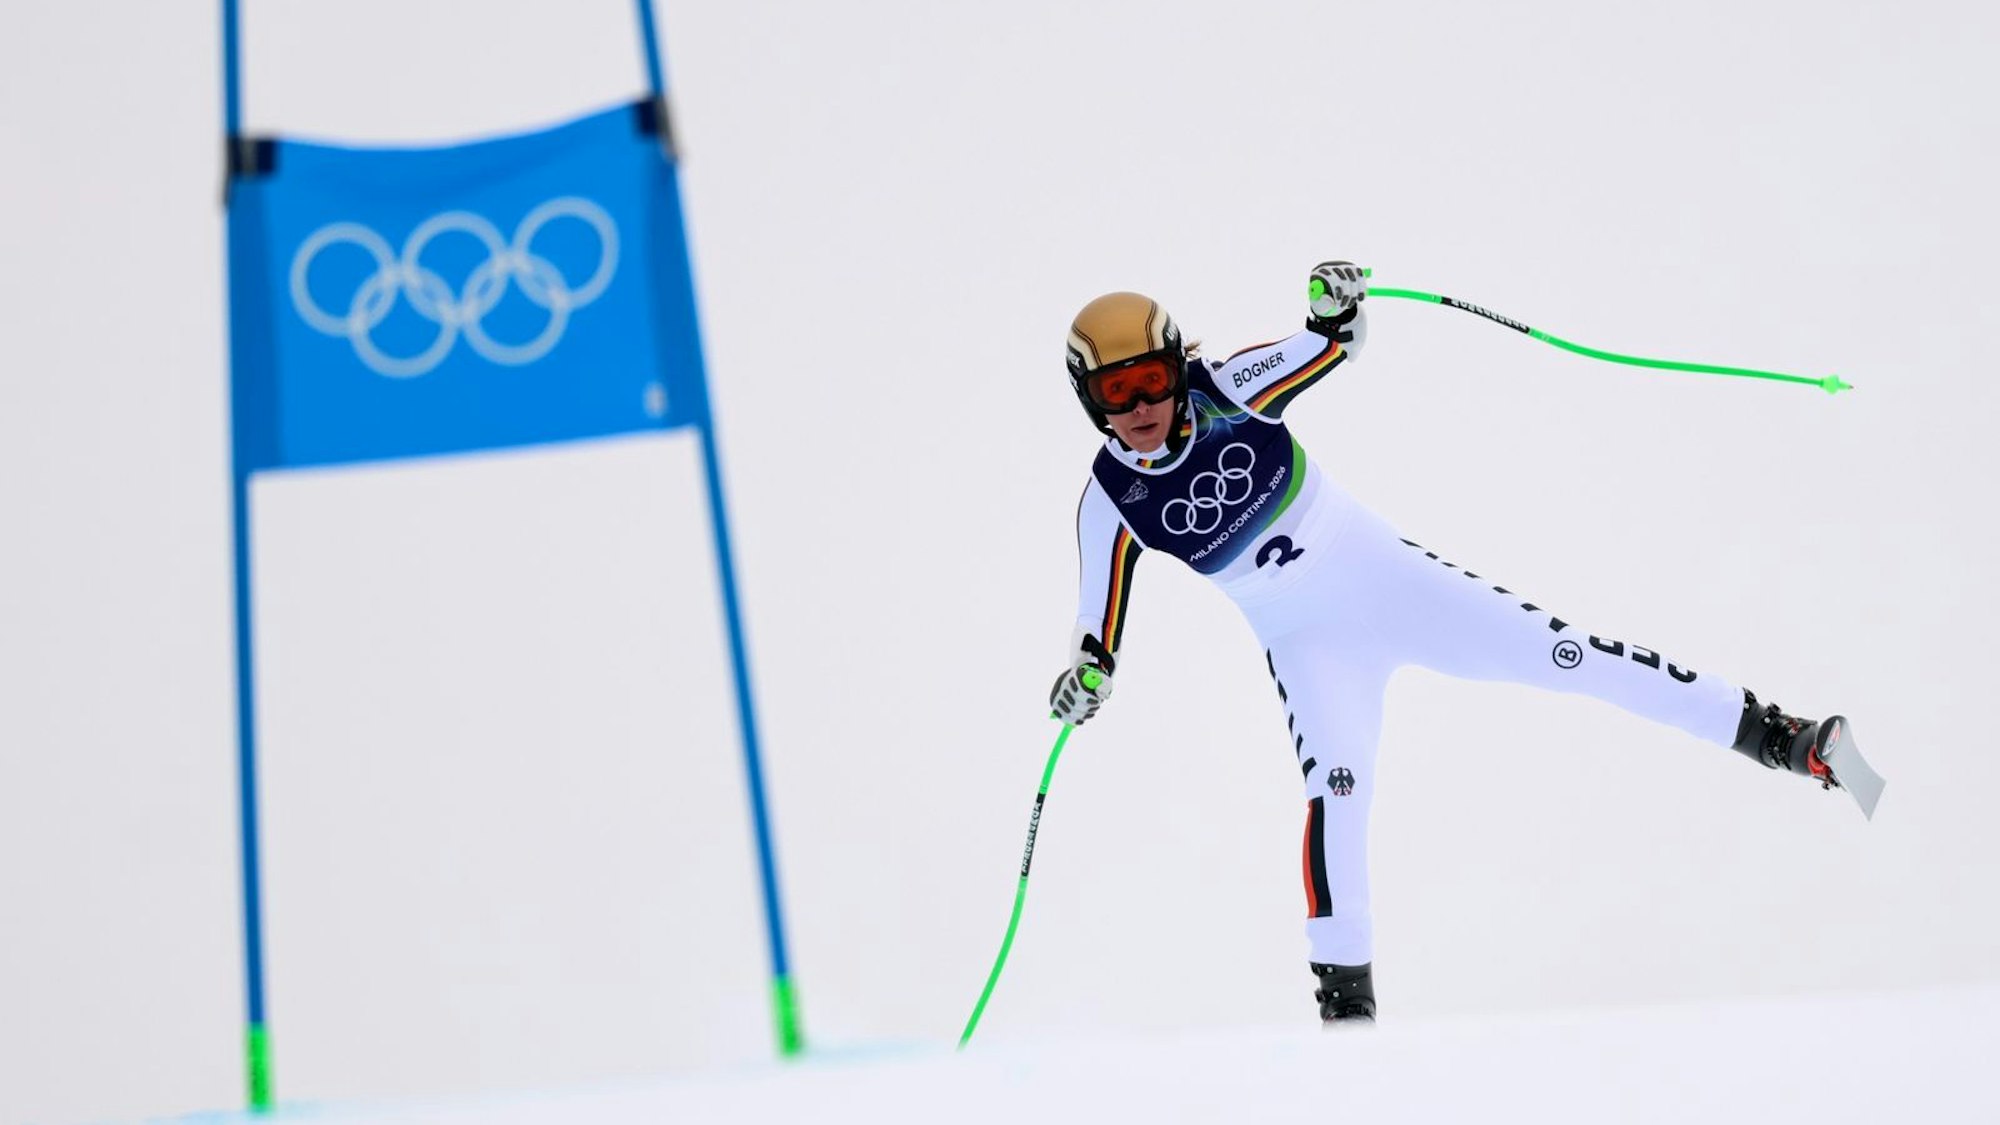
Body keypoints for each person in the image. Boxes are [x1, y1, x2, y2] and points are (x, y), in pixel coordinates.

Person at [1048, 263, 1881, 1025]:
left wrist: (1330, 306)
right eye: (1116, 393)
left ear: (1175, 367)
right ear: (1093, 401)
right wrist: (1086, 677)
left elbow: (1328, 343)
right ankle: (1347, 1014)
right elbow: (1098, 628)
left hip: (1391, 583)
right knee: (1337, 790)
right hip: (1306, 643)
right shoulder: (1110, 498)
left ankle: (1783, 737)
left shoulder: (1228, 386)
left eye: (1152, 379)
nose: (1141, 407)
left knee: (1569, 655)